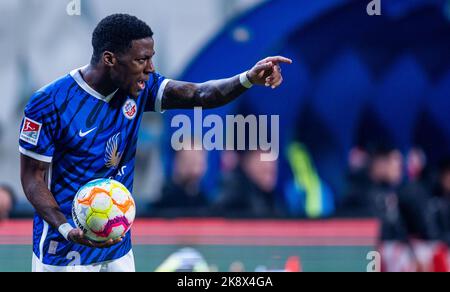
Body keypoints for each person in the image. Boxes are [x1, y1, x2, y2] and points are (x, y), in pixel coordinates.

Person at [18, 14, 291, 272]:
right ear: (110, 59)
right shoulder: (50, 103)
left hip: (117, 246)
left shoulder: (141, 88)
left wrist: (248, 79)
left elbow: (201, 94)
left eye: (151, 58)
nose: (150, 68)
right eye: (141, 60)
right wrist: (66, 229)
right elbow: (32, 178)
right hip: (65, 249)